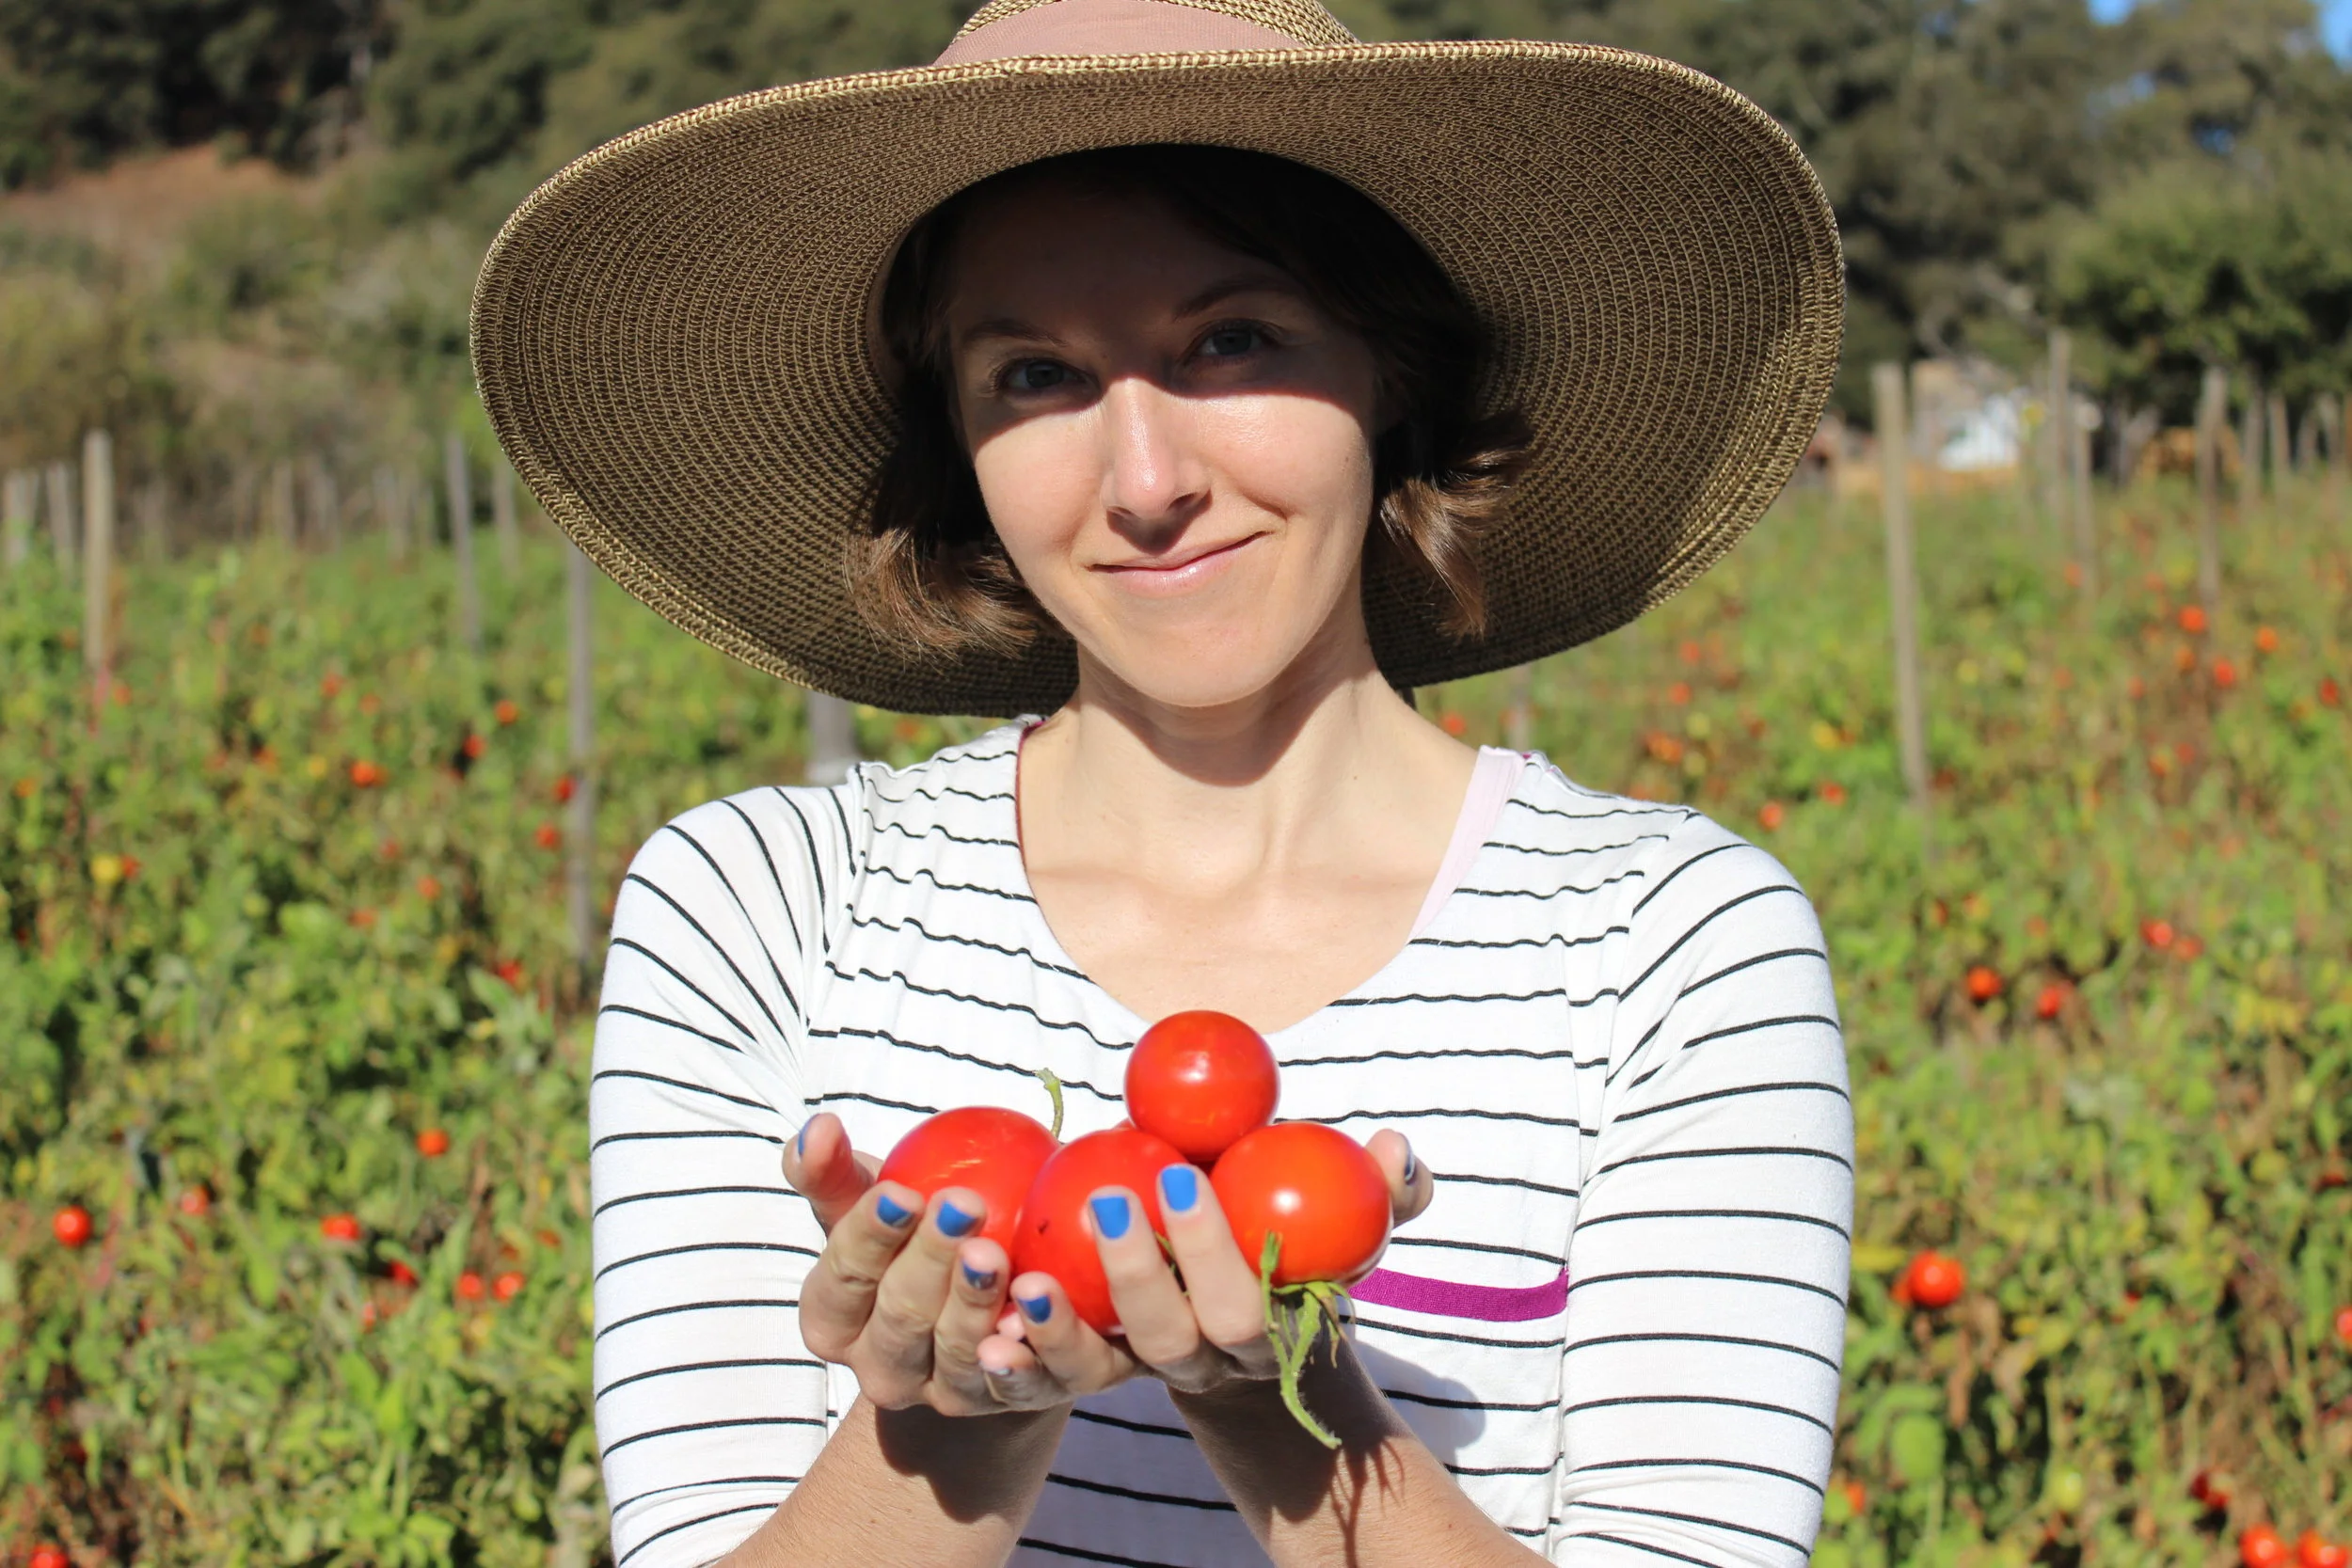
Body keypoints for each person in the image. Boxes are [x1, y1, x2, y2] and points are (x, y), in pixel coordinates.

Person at [472, 3, 1853, 1563]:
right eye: (1036, 375)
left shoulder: (1671, 947)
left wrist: (1283, 1404)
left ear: (1388, 370)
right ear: (960, 438)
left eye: (1233, 339)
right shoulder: (763, 910)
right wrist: (944, 1427)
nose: (1145, 483)